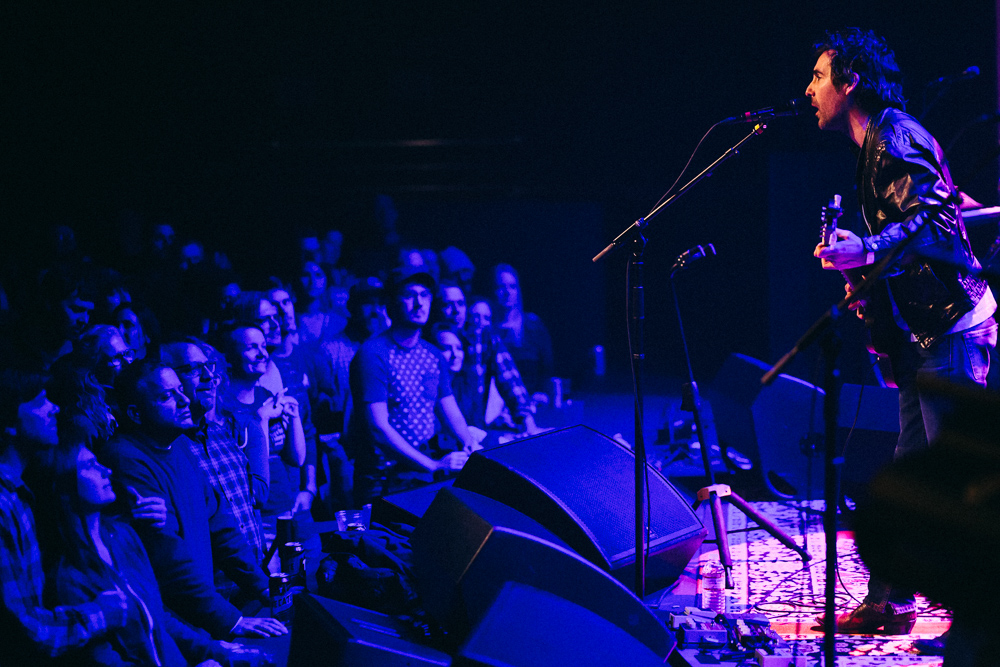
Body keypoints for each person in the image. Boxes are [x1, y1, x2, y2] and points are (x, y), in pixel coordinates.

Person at [808, 28, 997, 634]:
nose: (810, 89)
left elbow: (936, 219)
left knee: (955, 483)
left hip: (952, 330)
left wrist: (863, 247)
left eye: (818, 76)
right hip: (927, 332)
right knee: (912, 466)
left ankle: (982, 620)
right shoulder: (876, 142)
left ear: (850, 80)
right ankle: (891, 603)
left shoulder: (892, 133)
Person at [36, 442, 269, 666]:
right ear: (63, 483)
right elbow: (101, 660)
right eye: (90, 466)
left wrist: (214, 651)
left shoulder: (122, 538)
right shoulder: (69, 576)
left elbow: (157, 615)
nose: (106, 470)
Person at [101, 360, 286, 639]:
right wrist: (231, 621)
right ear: (135, 414)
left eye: (180, 390)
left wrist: (264, 587)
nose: (185, 400)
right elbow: (167, 556)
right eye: (166, 396)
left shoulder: (181, 445)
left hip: (196, 618)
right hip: (169, 625)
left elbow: (221, 526)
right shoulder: (126, 459)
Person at [0, 369, 128, 664]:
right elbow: (22, 630)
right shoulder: (3, 503)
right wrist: (98, 615)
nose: (54, 408)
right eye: (41, 401)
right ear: (8, 423)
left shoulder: (19, 494)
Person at [345, 267, 479, 505]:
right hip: (383, 481)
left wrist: (472, 447)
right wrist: (434, 465)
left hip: (423, 476)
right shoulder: (373, 354)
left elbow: (450, 411)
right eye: (409, 295)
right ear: (389, 303)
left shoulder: (433, 355)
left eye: (425, 295)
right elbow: (378, 429)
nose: (419, 303)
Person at [160, 340, 267, 563]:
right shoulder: (168, 449)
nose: (209, 376)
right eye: (193, 369)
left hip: (255, 581)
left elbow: (253, 502)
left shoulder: (222, 436)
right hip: (213, 591)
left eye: (209, 366)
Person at [491, 263, 554, 400]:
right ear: (492, 291)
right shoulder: (488, 328)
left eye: (512, 286)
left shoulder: (533, 325)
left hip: (533, 401)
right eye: (501, 287)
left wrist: (542, 392)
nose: (507, 292)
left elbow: (547, 367)